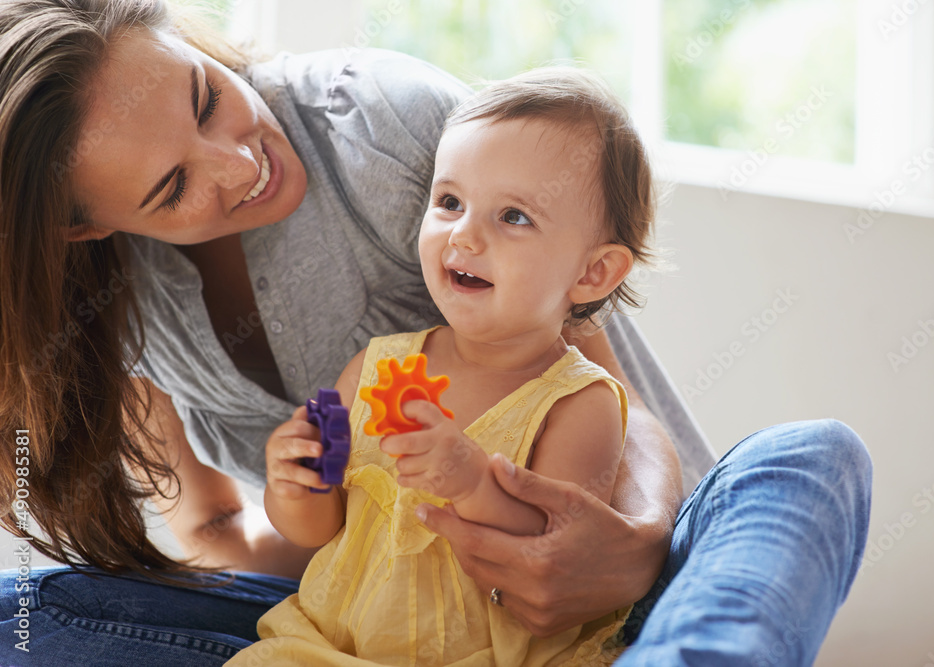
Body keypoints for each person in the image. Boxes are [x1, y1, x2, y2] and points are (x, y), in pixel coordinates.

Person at [0, 1, 872, 665]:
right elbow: (228, 530)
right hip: (351, 622)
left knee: (810, 460)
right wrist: (314, 504)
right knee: (20, 617)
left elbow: (609, 398)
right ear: (84, 228)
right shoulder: (113, 312)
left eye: (205, 97)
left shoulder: (384, 126)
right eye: (169, 188)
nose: (239, 161)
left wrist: (633, 544)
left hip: (612, 593)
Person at [228, 67, 652, 666]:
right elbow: (318, 531)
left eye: (514, 217)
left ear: (593, 273)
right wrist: (294, 485)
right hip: (334, 646)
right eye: (450, 201)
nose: (465, 234)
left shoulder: (580, 404)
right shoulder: (376, 368)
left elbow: (552, 549)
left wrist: (473, 483)